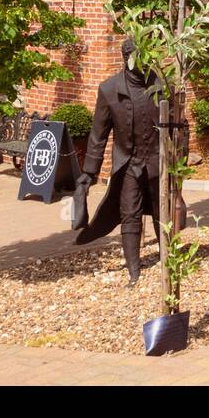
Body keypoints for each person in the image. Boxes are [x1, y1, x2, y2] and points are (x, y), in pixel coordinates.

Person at [73, 39, 164, 286]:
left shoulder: (160, 84)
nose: (140, 61)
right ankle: (134, 271)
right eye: (135, 56)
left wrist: (180, 156)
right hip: (128, 165)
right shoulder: (109, 89)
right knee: (130, 215)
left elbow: (178, 123)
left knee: (161, 211)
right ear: (125, 58)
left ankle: (168, 261)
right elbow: (98, 135)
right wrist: (89, 172)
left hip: (157, 161)